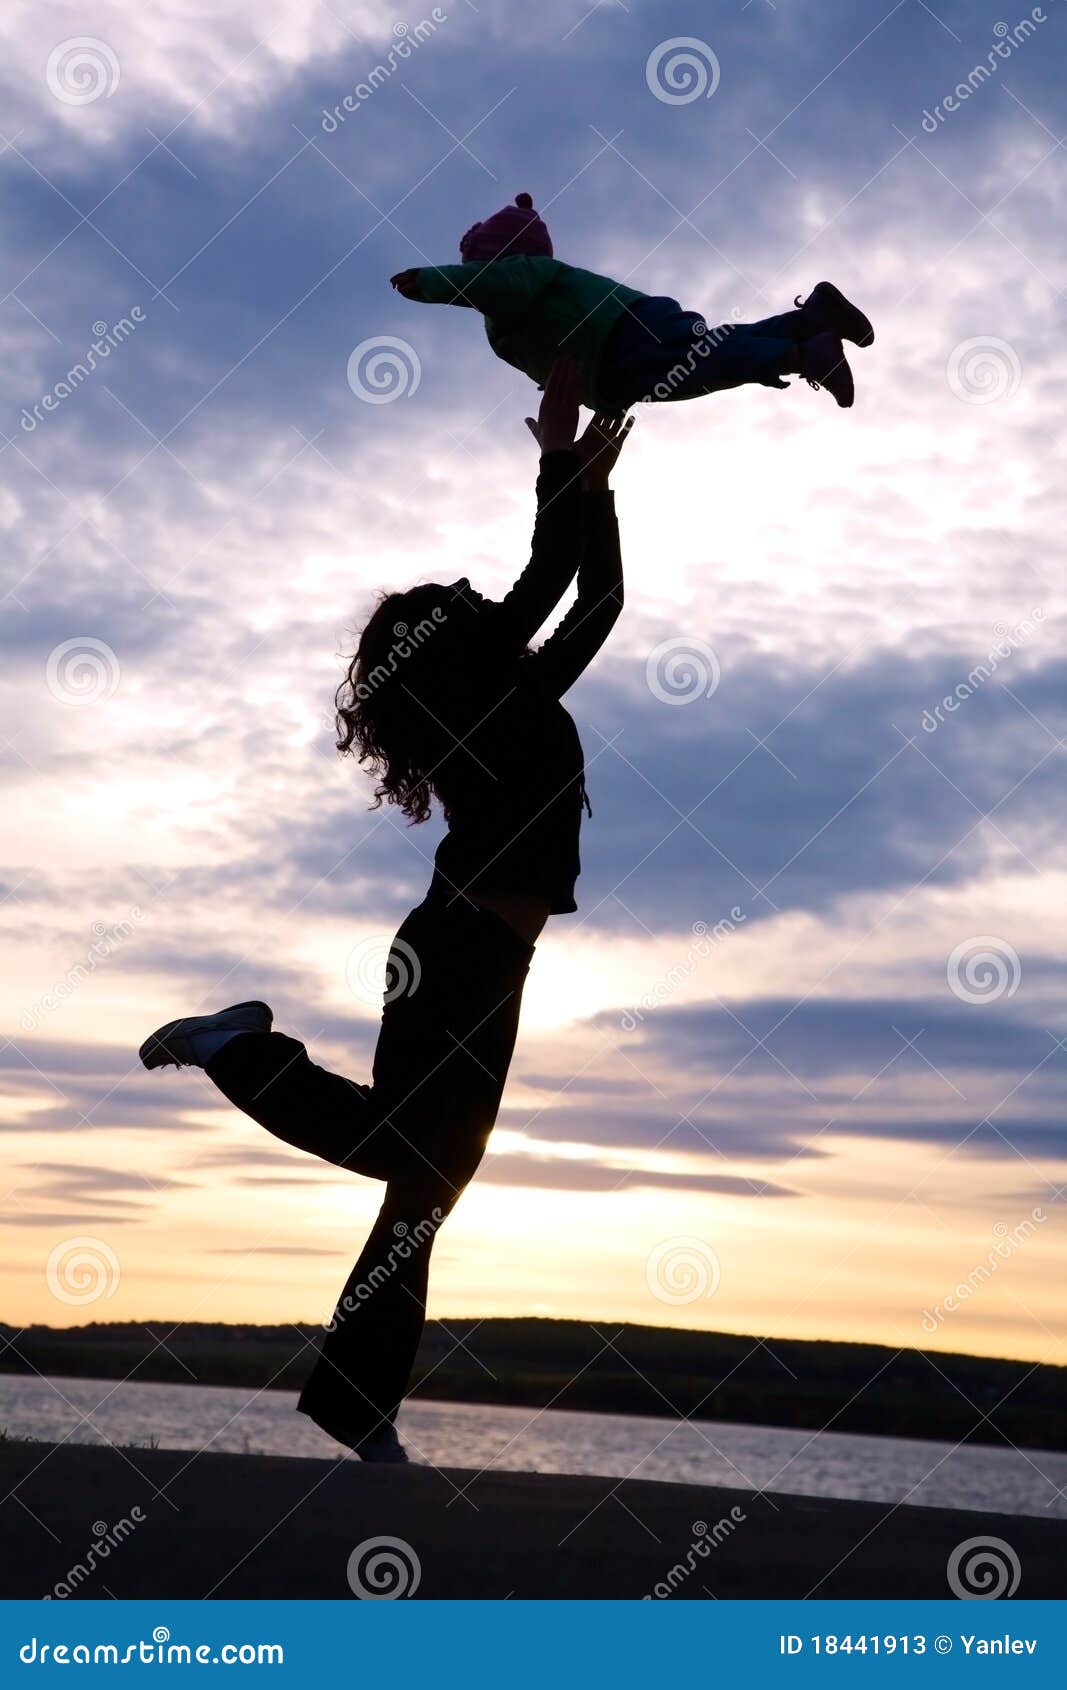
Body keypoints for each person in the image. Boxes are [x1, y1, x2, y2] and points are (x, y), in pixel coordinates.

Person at [138, 360, 632, 1463]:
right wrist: (559, 457)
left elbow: (593, 598)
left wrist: (590, 480)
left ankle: (356, 1409)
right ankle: (240, 1055)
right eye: (461, 607)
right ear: (449, 651)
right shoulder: (485, 698)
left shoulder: (508, 697)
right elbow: (555, 574)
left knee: (422, 1176)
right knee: (416, 1159)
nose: (477, 599)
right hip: (458, 950)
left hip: (472, 954)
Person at [391, 192, 874, 409]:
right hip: (623, 345)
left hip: (620, 343)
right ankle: (809, 320)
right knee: (715, 352)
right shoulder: (520, 298)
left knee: (708, 366)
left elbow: (487, 286)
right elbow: (549, 369)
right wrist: (591, 402)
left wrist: (431, 282)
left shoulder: (520, 276)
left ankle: (804, 353)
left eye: (478, 269)